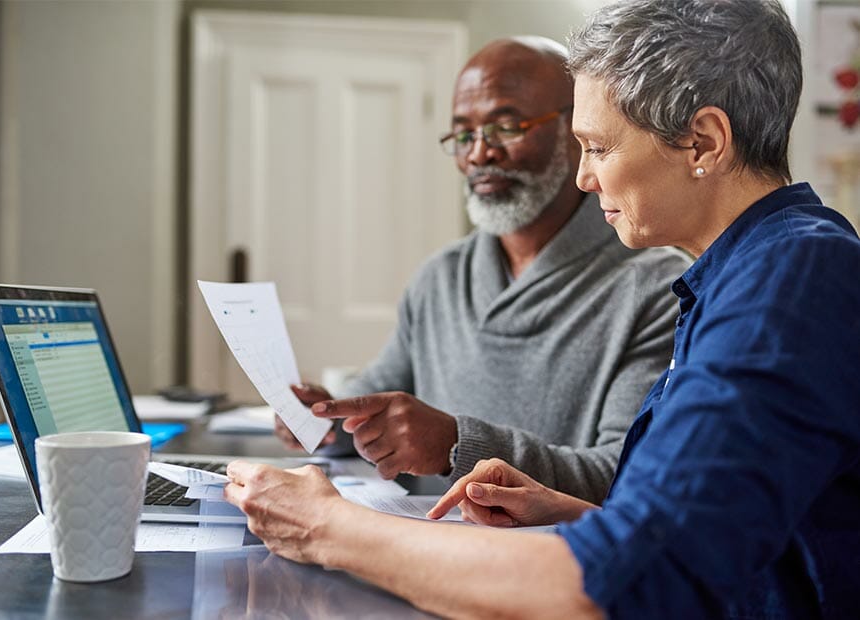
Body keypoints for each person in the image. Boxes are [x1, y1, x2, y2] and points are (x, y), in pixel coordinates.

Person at [224, 0, 860, 617]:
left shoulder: (791, 279)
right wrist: (566, 511)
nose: (584, 178)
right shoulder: (740, 276)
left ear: (702, 142)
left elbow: (619, 584)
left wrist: (330, 528)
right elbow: (709, 544)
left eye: (599, 148)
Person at [277, 36, 690, 503]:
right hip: (414, 544)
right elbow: (374, 401)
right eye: (463, 134)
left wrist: (458, 446)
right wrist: (326, 417)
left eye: (506, 126)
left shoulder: (658, 288)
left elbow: (624, 471)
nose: (478, 154)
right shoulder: (441, 277)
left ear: (576, 131)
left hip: (542, 564)